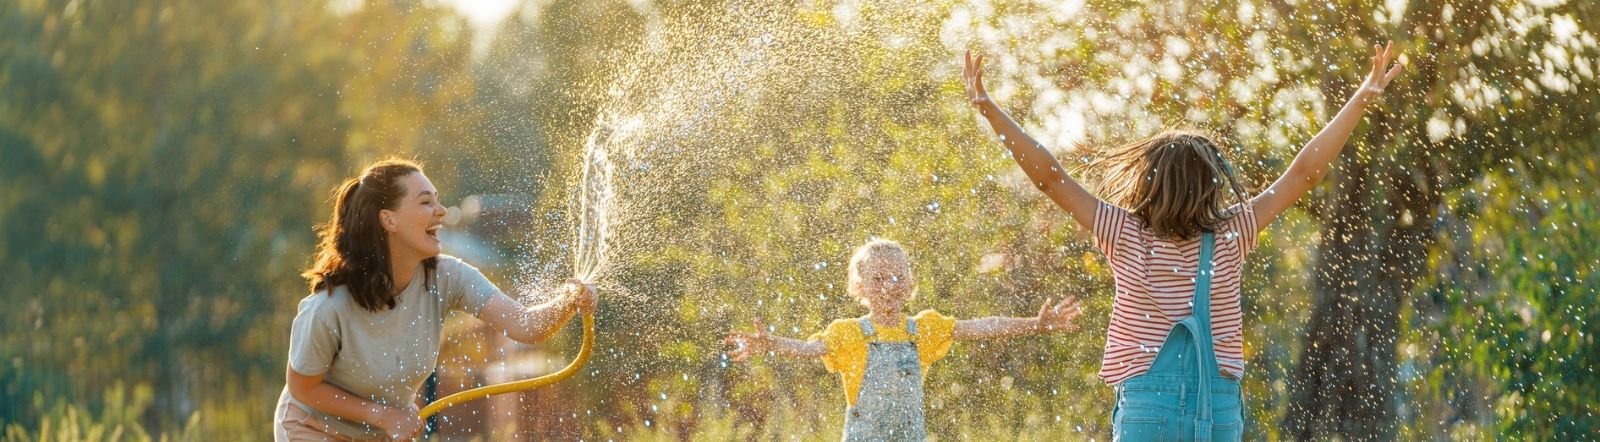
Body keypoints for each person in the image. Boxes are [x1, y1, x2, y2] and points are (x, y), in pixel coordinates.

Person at [962, 41, 1403, 440]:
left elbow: (1050, 178)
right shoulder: (1233, 233)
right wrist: (1360, 100)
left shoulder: (1123, 232)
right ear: (1211, 187)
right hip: (1218, 410)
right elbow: (1305, 174)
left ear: (1147, 184)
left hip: (1146, 411)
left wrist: (990, 111)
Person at [274, 159, 596, 441]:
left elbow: (527, 326)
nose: (441, 212)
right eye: (426, 202)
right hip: (313, 429)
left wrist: (569, 299)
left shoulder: (448, 277)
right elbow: (303, 387)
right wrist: (384, 416)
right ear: (389, 220)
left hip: (383, 433)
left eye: (438, 202)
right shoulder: (329, 307)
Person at [725, 239, 1082, 441]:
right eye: (878, 279)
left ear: (911, 285)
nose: (889, 287)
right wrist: (771, 343)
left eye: (898, 278)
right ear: (859, 288)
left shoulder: (924, 328)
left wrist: (1034, 323)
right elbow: (809, 349)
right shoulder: (849, 333)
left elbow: (980, 326)